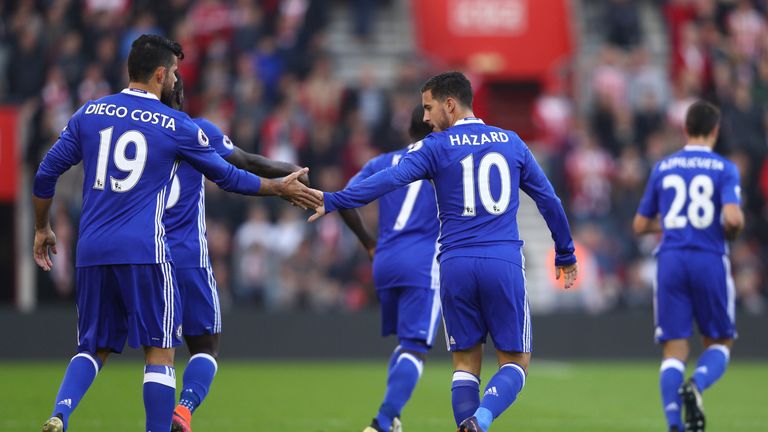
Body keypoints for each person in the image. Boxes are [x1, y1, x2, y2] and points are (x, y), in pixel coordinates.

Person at [33, 34, 316, 432]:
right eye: (176, 73)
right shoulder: (178, 125)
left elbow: (45, 173)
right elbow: (231, 175)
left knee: (92, 346)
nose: (178, 81)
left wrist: (42, 227)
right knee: (161, 353)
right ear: (162, 74)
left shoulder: (89, 113)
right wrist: (277, 187)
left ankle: (60, 413)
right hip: (148, 249)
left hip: (92, 248)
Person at [308, 72, 578, 432]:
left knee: (465, 364)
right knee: (515, 361)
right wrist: (565, 252)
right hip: (502, 261)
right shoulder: (512, 142)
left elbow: (387, 179)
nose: (424, 118)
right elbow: (548, 199)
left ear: (450, 105)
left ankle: (465, 423)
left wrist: (332, 199)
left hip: (454, 265)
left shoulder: (436, 147)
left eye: (428, 107)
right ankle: (481, 420)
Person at [160, 73, 309, 432]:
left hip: (144, 254)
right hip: (188, 255)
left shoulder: (131, 131)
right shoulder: (198, 131)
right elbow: (243, 163)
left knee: (155, 352)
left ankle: (65, 409)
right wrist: (286, 176)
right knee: (206, 347)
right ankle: (184, 409)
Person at [633, 101, 744, 432]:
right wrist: (731, 229)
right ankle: (696, 385)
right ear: (715, 131)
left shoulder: (663, 167)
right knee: (720, 342)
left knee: (673, 349)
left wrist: (671, 222)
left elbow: (639, 225)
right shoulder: (724, 168)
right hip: (708, 258)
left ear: (685, 129)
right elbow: (733, 218)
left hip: (670, 261)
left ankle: (674, 425)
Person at [338, 106, 439, 432]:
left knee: (404, 344)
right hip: (422, 262)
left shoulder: (382, 162)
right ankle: (381, 423)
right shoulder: (446, 161)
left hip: (386, 260)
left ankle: (393, 420)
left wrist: (368, 242)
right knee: (415, 347)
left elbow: (345, 198)